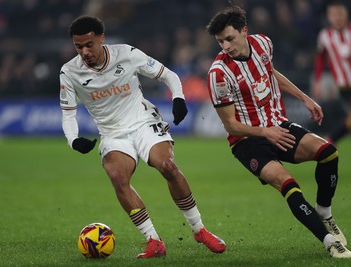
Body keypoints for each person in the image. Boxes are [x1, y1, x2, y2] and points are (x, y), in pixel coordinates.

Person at [59, 15, 226, 259]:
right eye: (78, 46)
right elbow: (67, 114)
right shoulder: (69, 72)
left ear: (101, 39)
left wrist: (178, 97)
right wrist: (73, 139)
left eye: (89, 44)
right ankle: (153, 240)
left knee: (167, 166)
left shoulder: (126, 54)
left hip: (143, 121)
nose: (84, 51)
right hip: (112, 133)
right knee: (117, 176)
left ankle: (199, 229)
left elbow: (168, 75)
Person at [205, 6, 351, 258]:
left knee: (328, 153)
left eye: (229, 39)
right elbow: (230, 125)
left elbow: (270, 73)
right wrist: (264, 132)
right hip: (247, 141)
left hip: (278, 125)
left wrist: (304, 97)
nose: (225, 46)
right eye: (220, 42)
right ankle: (330, 242)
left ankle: (324, 213)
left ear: (244, 31)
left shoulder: (263, 43)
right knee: (289, 185)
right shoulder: (219, 74)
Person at [313, 1, 351, 144]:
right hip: (346, 87)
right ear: (329, 17)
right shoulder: (325, 36)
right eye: (334, 15)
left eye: (340, 14)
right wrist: (317, 80)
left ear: (346, 15)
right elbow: (320, 59)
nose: (337, 18)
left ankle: (330, 140)